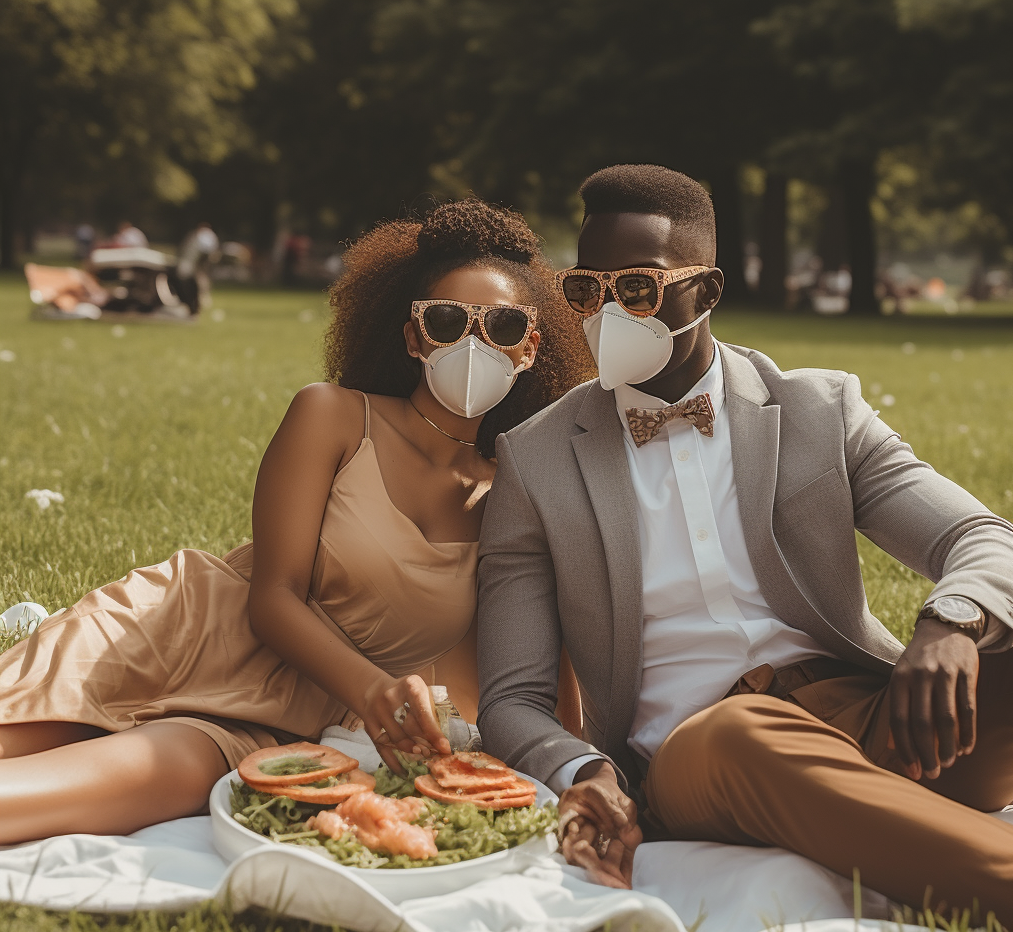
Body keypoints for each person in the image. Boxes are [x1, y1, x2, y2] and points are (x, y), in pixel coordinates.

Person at [476, 164, 1013, 925]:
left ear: (707, 291)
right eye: (586, 290)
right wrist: (586, 769)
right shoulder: (535, 460)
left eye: (636, 287)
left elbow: (983, 538)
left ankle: (893, 826)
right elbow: (512, 698)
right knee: (739, 735)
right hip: (699, 753)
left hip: (876, 723)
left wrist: (951, 621)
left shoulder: (818, 411)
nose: (607, 312)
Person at [0, 198, 589, 844]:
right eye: (449, 321)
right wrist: (374, 692)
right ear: (414, 335)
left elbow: (532, 675)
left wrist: (585, 772)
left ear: (531, 346)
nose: (475, 344)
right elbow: (275, 598)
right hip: (170, 634)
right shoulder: (332, 417)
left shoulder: (512, 496)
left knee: (26, 804)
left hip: (278, 730)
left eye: (502, 327)